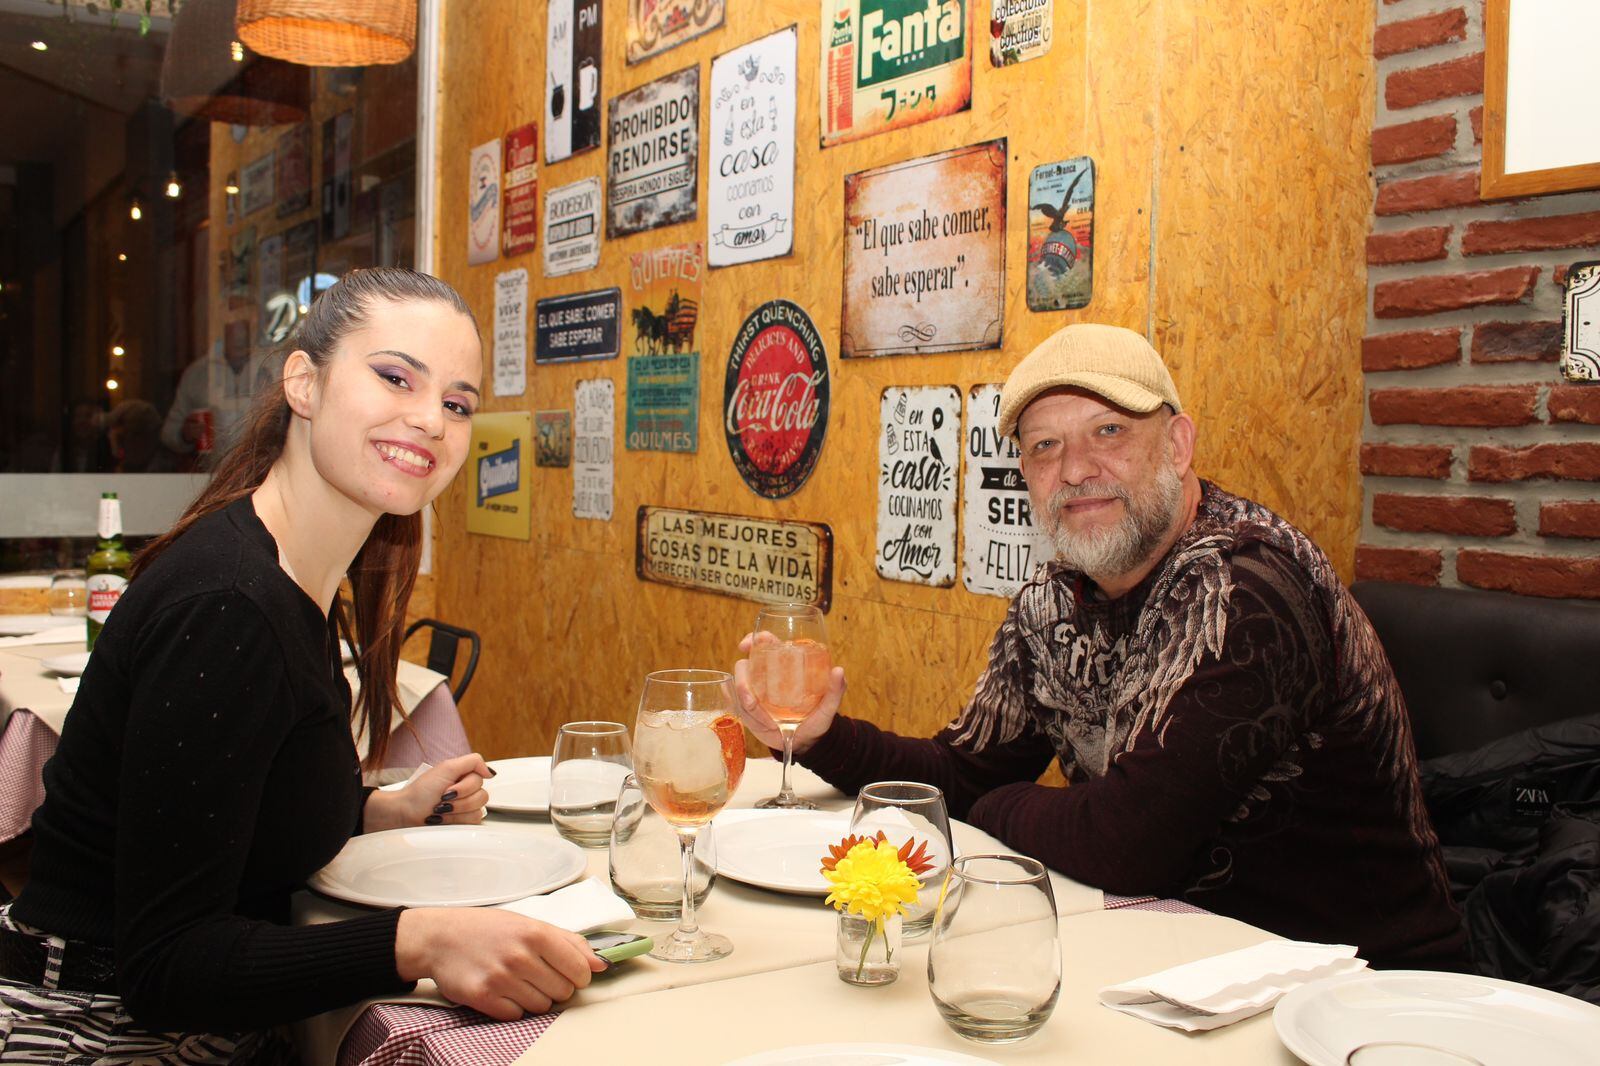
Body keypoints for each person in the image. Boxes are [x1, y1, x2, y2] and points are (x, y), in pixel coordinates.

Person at [1, 269, 604, 1063]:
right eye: (394, 377)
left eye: (457, 404)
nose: (429, 420)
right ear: (304, 381)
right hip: (89, 1028)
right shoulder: (230, 606)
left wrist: (374, 810)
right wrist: (418, 942)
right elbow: (164, 969)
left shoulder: (300, 578)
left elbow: (234, 806)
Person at [733, 323, 1468, 970]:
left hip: (1358, 987)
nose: (1076, 469)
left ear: (1177, 445)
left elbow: (1125, 845)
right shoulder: (1055, 596)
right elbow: (959, 772)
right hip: (1175, 968)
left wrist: (996, 807)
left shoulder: (1247, 588)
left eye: (1108, 432)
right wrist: (827, 739)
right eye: (1045, 446)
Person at [159, 324, 284, 461]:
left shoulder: (274, 366)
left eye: (244, 324)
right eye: (233, 324)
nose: (239, 334)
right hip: (212, 476)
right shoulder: (198, 373)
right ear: (221, 326)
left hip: (265, 473)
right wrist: (185, 434)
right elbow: (169, 432)